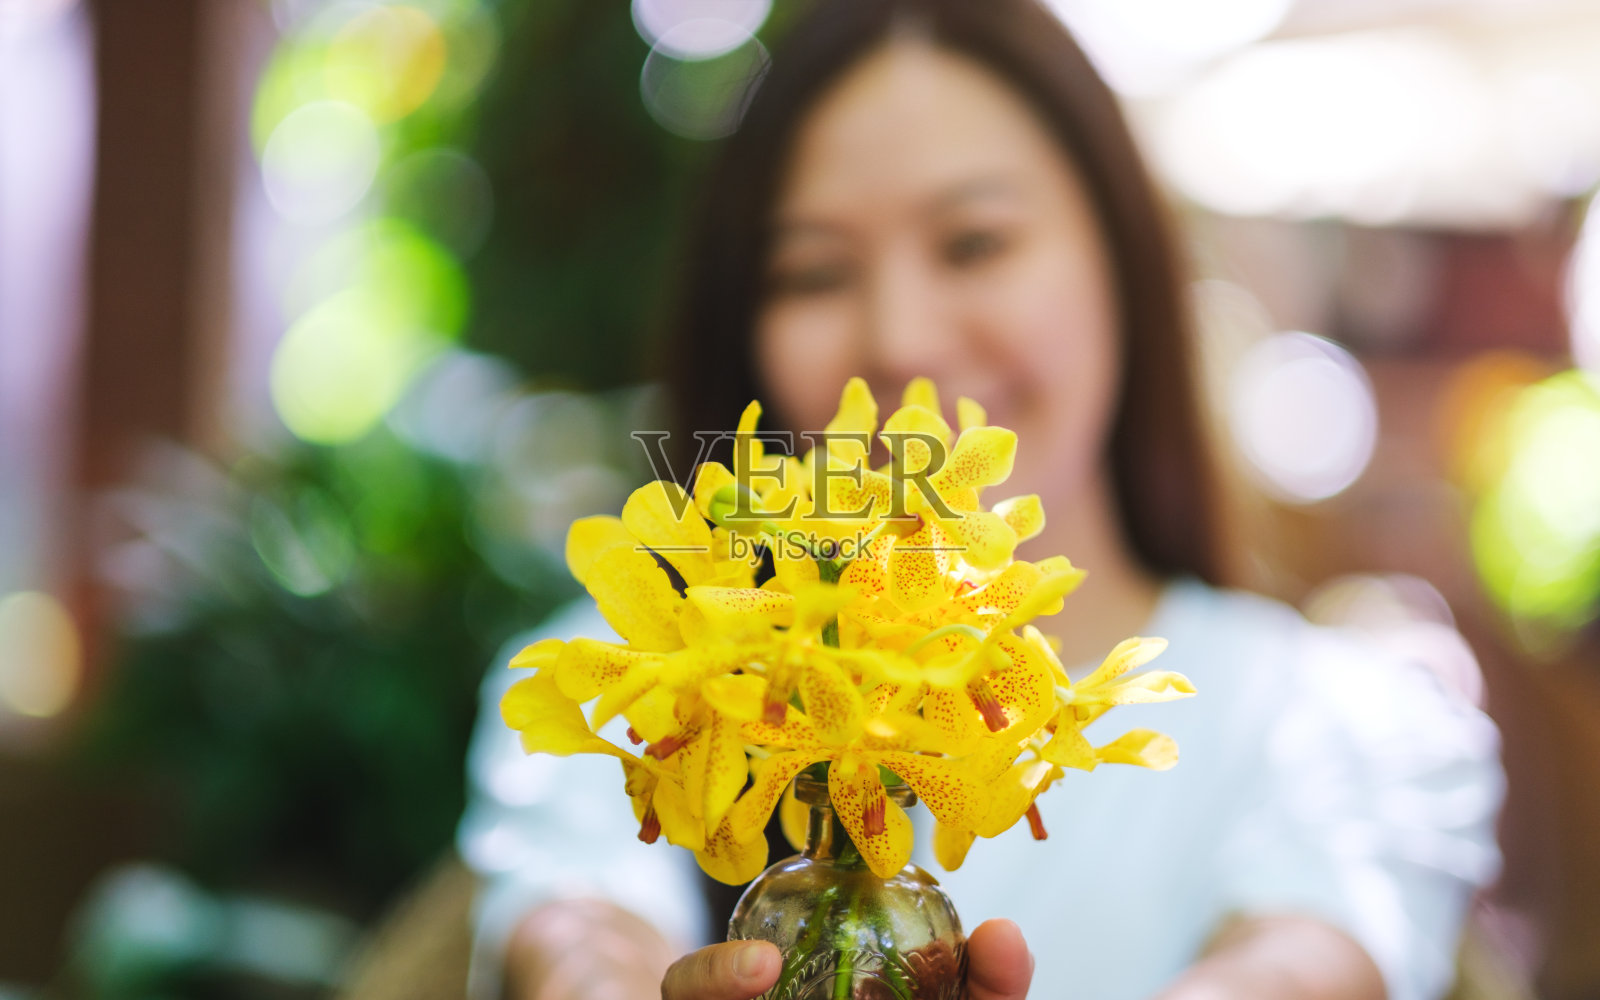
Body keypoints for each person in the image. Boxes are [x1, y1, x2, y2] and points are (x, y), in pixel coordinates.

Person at [456, 1, 1504, 998]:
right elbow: (579, 932)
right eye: (816, 273)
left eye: (975, 244)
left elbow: (1302, 960)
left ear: (1122, 263)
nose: (902, 340)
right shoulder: (640, 689)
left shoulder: (1330, 722)